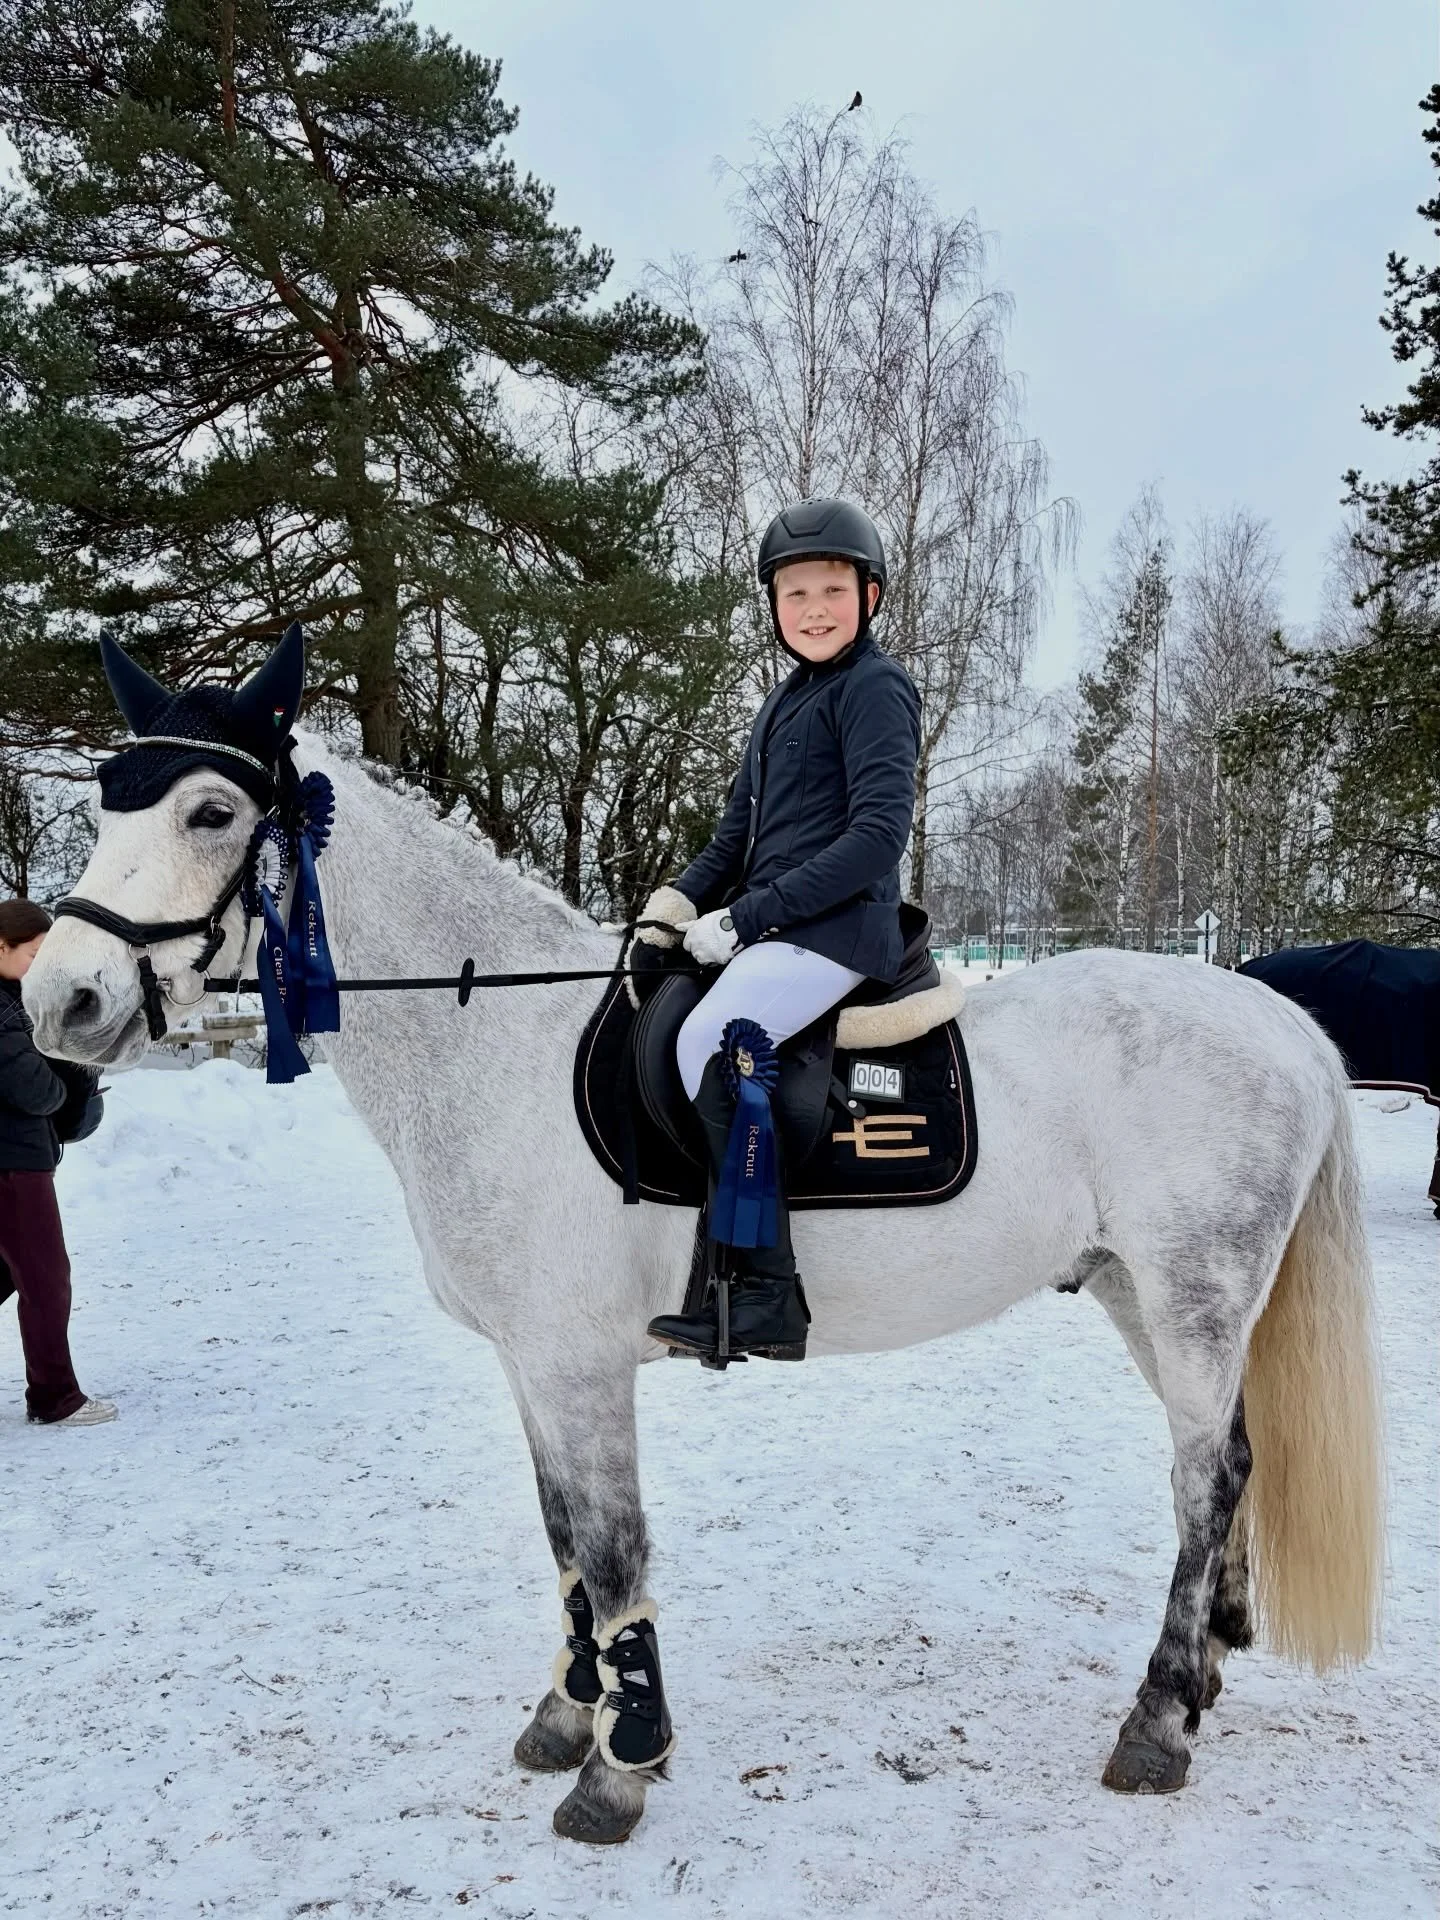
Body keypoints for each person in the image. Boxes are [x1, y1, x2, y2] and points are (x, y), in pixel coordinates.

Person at [644, 499, 921, 1362]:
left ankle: (766, 1290)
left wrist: (748, 916)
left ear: (869, 595)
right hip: (781, 930)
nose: (813, 608)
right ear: (773, 605)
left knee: (712, 1040)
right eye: (794, 592)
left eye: (832, 589)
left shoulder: (876, 688)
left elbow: (878, 835)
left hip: (840, 931)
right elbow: (735, 840)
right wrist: (675, 906)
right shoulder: (782, 702)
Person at [0, 898, 115, 1425]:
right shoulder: (3, 1013)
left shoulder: (13, 1002)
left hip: (16, 1158)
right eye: (32, 954)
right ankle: (54, 1397)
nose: (38, 968)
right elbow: (36, 1092)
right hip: (13, 1165)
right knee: (47, 1281)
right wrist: (68, 1077)